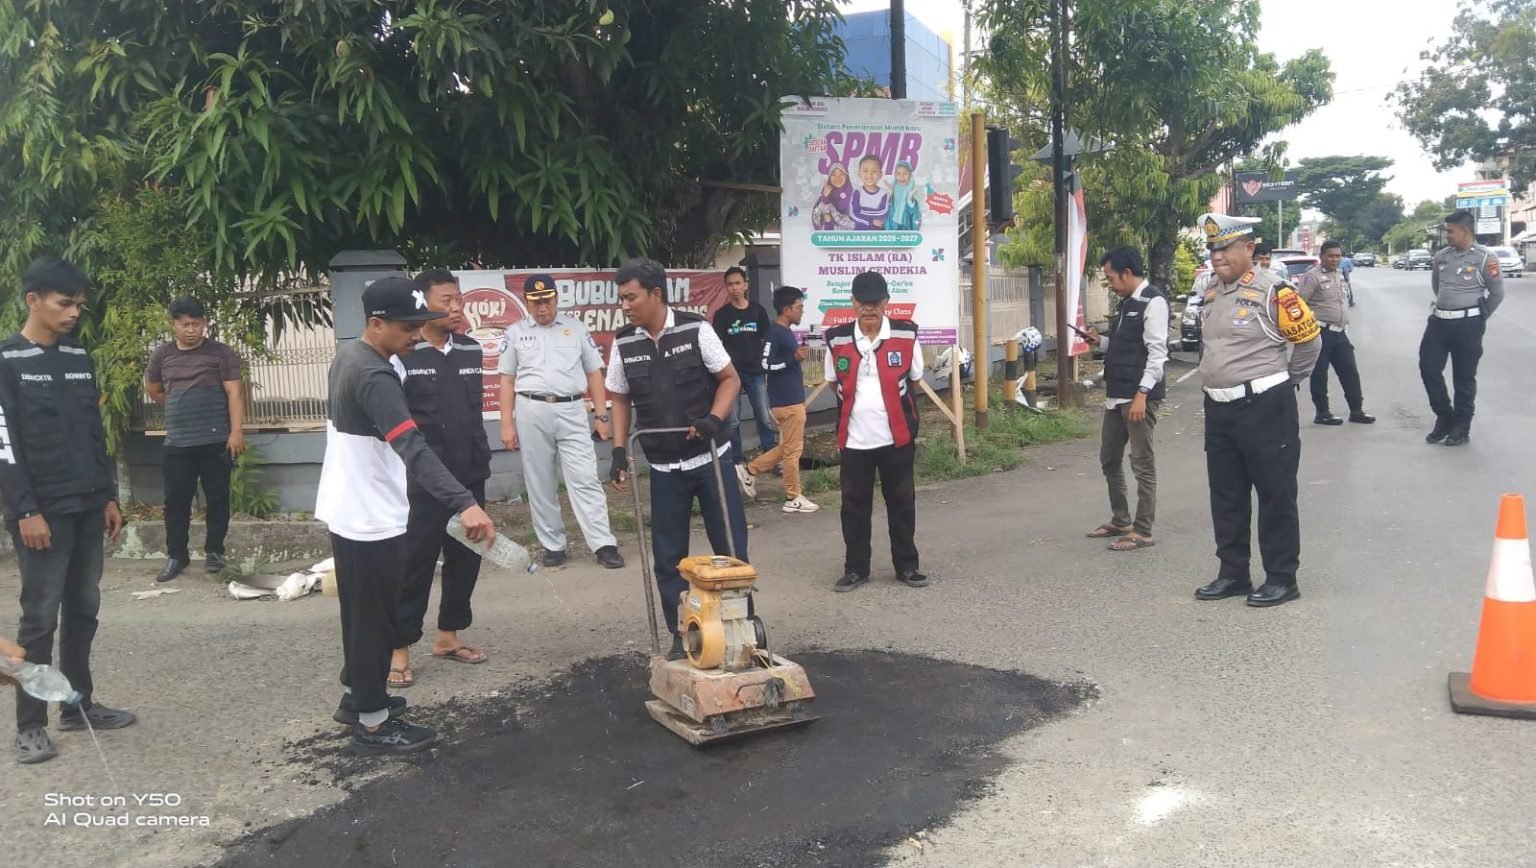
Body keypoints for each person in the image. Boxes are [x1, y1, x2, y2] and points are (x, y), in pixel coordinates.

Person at [315, 276, 495, 755]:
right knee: (375, 616)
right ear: (377, 324)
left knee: (361, 611)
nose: (417, 335)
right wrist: (465, 503)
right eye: (408, 328)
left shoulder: (352, 355)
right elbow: (413, 447)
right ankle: (374, 723)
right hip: (371, 514)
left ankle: (359, 698)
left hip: (348, 506)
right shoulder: (375, 375)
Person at [0, 256, 132, 765]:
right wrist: (25, 509)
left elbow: (94, 433)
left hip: (86, 503)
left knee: (84, 608)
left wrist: (108, 494)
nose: (75, 312)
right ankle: (29, 725)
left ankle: (78, 705)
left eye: (79, 304)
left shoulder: (79, 354)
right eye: (65, 303)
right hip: (40, 512)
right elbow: (5, 443)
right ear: (33, 301)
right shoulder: (8, 361)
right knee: (39, 619)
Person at [606, 257, 749, 661]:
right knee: (669, 559)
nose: (626, 305)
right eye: (622, 299)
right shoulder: (624, 343)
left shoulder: (695, 329)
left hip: (710, 461)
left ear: (655, 293)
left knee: (731, 547)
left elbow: (730, 379)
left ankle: (738, 627)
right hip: (664, 468)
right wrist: (619, 450)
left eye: (631, 297)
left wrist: (712, 419)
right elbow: (619, 396)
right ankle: (681, 632)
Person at [1192, 214, 1321, 609]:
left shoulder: (1274, 292)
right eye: (1213, 249)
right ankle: (1233, 572)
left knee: (1275, 493)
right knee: (1226, 494)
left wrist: (1282, 384)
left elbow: (1309, 344)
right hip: (1219, 408)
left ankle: (1282, 577)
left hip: (1265, 406)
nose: (1217, 257)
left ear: (1249, 249)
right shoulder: (1212, 292)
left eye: (1225, 248)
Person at [389, 270, 499, 690]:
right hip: (424, 480)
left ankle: (448, 636)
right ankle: (399, 648)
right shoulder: (404, 356)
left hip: (470, 472)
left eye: (459, 300)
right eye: (446, 300)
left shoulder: (470, 349)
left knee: (467, 559)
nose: (456, 308)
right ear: (423, 303)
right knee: (414, 564)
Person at [497, 273, 625, 569]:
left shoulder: (576, 329)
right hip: (531, 408)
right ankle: (553, 544)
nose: (543, 308)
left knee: (585, 477)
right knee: (540, 480)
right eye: (536, 303)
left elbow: (595, 373)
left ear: (556, 299)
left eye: (547, 301)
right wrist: (506, 424)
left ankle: (603, 543)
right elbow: (506, 380)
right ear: (528, 303)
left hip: (571, 409)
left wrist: (601, 415)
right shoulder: (515, 332)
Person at [824, 271, 927, 592]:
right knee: (853, 507)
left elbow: (915, 377)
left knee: (902, 503)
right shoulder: (837, 338)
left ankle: (907, 566)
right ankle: (856, 568)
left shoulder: (906, 335)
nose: (869, 309)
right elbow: (832, 382)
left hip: (896, 437)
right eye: (863, 303)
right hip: (854, 440)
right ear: (853, 302)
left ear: (886, 303)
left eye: (875, 303)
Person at [144, 297, 245, 582]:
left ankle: (215, 552)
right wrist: (178, 407)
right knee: (176, 501)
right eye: (185, 324)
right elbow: (154, 389)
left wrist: (236, 431)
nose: (191, 330)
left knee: (217, 499)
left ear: (205, 324)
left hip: (216, 441)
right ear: (173, 325)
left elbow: (235, 393)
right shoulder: (162, 355)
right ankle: (177, 555)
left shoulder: (220, 353)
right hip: (178, 442)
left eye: (197, 324)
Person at [1083, 247, 1168, 552]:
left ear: (1127, 273)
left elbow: (1158, 355)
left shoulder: (1153, 302)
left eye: (1110, 277)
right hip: (1115, 395)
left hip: (1137, 397)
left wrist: (1142, 395)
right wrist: (1100, 342)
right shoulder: (1127, 303)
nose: (1110, 283)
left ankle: (1143, 530)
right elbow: (1126, 345)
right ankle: (1121, 520)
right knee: (1109, 458)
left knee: (1142, 463)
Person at [1420, 210, 1504, 447]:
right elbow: (1437, 286)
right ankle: (1445, 417)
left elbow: (1497, 294)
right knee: (1428, 369)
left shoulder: (1485, 258)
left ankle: (1462, 427)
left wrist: (1479, 317)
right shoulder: (1441, 257)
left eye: (1450, 231)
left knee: (1464, 378)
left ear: (1465, 230)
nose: (1447, 235)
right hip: (1438, 322)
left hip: (1468, 325)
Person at [737, 286, 818, 514]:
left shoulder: (784, 332)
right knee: (793, 452)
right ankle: (794, 497)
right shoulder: (775, 333)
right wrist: (792, 359)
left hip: (790, 400)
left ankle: (750, 470)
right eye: (799, 307)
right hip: (787, 402)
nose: (802, 311)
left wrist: (793, 358)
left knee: (787, 448)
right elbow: (765, 364)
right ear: (786, 309)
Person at [1296, 241, 1374, 427]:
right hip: (1320, 332)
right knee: (1320, 374)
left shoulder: (1339, 275)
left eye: (1338, 256)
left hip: (1340, 333)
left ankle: (1356, 410)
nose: (1334, 259)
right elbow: (1299, 305)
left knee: (1350, 372)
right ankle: (1322, 412)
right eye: (1331, 256)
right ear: (1322, 256)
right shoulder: (1311, 277)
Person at [713, 266, 777, 470]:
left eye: (738, 283)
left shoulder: (758, 311)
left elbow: (768, 340)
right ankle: (737, 461)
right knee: (732, 421)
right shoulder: (722, 315)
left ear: (746, 285)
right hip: (731, 374)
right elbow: (716, 345)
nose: (734, 288)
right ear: (726, 288)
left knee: (765, 417)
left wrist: (767, 368)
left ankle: (770, 457)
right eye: (730, 284)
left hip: (756, 372)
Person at [851, 154, 890, 231]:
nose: (869, 174)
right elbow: (853, 214)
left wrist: (862, 211)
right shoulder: (857, 192)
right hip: (859, 234)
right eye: (865, 170)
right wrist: (872, 220)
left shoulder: (884, 193)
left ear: (880, 174)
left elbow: (883, 214)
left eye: (874, 171)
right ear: (859, 173)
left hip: (877, 234)